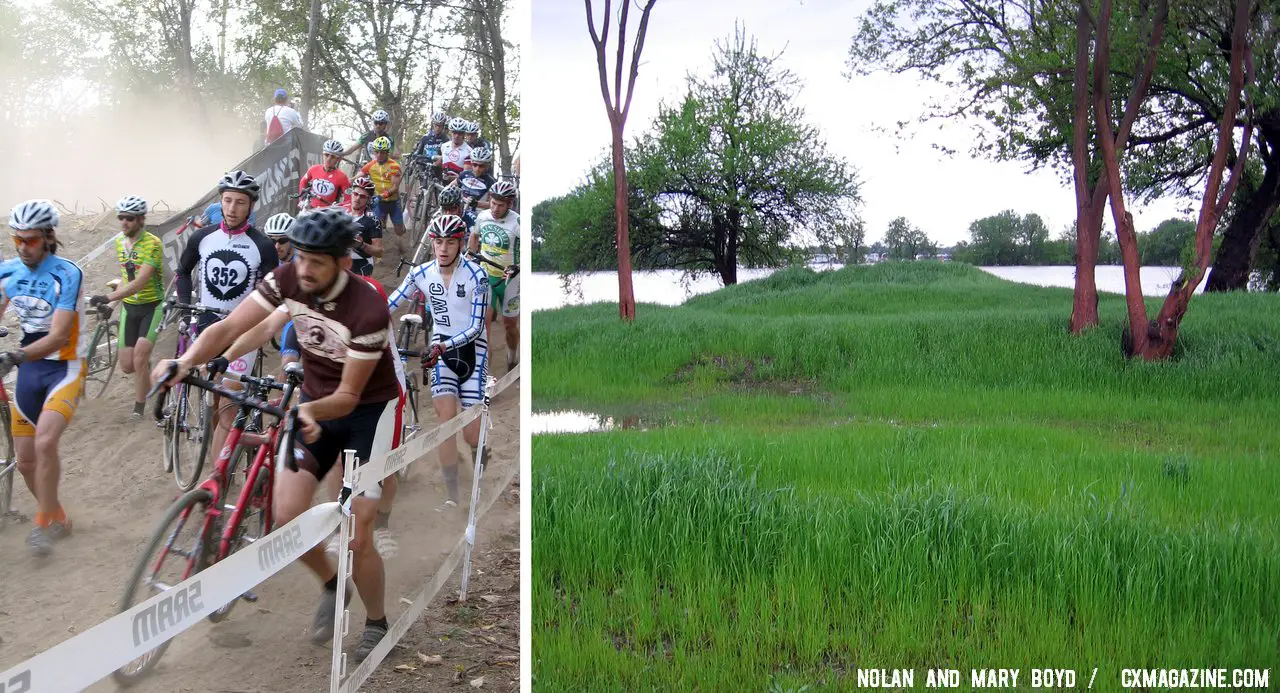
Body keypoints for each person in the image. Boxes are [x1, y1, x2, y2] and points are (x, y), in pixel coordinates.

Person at [154, 209, 398, 662]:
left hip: (365, 410)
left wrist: (302, 409)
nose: (304, 269)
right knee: (286, 516)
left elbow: (348, 395)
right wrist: (185, 363)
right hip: (315, 399)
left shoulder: (368, 309)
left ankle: (377, 620)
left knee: (358, 530)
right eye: (301, 257)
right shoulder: (289, 277)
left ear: (343, 263)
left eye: (317, 262)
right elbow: (234, 326)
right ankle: (332, 583)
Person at [174, 171, 278, 466]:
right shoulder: (202, 237)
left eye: (240, 202)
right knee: (204, 393)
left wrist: (263, 322)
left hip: (242, 332)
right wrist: (185, 308)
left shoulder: (263, 246)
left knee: (227, 410)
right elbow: (182, 271)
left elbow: (273, 291)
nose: (232, 208)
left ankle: (213, 478)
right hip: (206, 326)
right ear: (220, 202)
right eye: (227, 201)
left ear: (251, 206)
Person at [0, 200, 85, 556]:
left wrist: (15, 355)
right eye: (17, 239)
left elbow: (59, 336)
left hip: (62, 369)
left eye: (31, 240)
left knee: (46, 443)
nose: (23, 247)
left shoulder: (67, 273)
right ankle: (59, 518)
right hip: (29, 374)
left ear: (49, 238)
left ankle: (41, 524)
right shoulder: (7, 271)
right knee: (26, 462)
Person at [388, 214, 488, 510]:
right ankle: (452, 497)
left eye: (450, 242)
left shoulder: (477, 275)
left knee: (470, 432)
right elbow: (392, 301)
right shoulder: (420, 273)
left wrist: (445, 345)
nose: (443, 248)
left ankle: (479, 465)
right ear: (432, 242)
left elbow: (477, 327)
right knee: (446, 425)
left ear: (460, 244)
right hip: (441, 353)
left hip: (471, 352)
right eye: (438, 241)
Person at [90, 195, 164, 419]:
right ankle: (147, 367)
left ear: (141, 219)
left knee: (139, 358)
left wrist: (107, 295)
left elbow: (140, 282)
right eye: (121, 217)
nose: (124, 222)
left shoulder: (153, 243)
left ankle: (139, 409)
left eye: (129, 218)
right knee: (127, 366)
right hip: (130, 308)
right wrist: (113, 303)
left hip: (152, 306)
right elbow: (126, 278)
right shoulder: (119, 242)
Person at [470, 180, 520, 370]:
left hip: (510, 280)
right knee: (484, 325)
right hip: (487, 276)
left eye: (500, 205)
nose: (495, 208)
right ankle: (483, 378)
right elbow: (474, 236)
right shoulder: (482, 217)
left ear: (509, 204)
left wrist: (518, 267)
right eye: (492, 202)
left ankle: (512, 356)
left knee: (509, 326)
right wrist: (471, 255)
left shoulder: (517, 222)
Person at [359, 137, 405, 238]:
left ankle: (400, 241)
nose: (379, 155)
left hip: (393, 201)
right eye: (377, 152)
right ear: (374, 152)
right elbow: (358, 176)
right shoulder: (371, 165)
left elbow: (395, 188)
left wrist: (380, 196)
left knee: (399, 231)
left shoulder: (394, 166)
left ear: (387, 152)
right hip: (379, 203)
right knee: (374, 225)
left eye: (383, 152)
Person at [341, 177, 384, 275]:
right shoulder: (340, 210)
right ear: (351, 193)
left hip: (361, 263)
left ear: (368, 199)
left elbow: (379, 251)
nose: (357, 198)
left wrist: (361, 245)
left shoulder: (373, 220)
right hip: (339, 259)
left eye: (362, 196)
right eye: (355, 194)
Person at [298, 140, 351, 210]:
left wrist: (340, 208)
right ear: (323, 154)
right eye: (326, 155)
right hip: (309, 209)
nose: (328, 159)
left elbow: (348, 199)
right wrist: (301, 200)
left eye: (333, 157)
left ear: (338, 159)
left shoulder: (342, 177)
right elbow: (303, 181)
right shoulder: (313, 169)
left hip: (327, 214)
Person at [458, 146, 497, 211]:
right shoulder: (464, 174)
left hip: (476, 213)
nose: (477, 169)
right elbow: (449, 187)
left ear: (487, 166)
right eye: (475, 164)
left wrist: (476, 203)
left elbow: (493, 204)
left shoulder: (490, 182)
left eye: (481, 166)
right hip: (458, 209)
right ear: (471, 163)